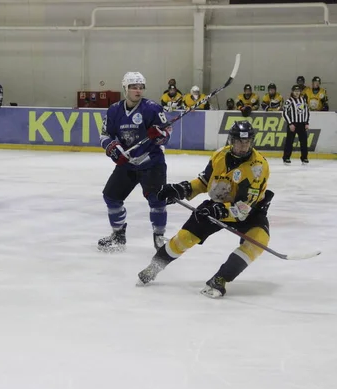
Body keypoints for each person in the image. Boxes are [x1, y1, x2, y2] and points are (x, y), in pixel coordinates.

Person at [136, 121, 273, 298]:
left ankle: (221, 279)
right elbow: (204, 182)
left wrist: (218, 211)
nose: (243, 146)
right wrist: (181, 189)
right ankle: (154, 267)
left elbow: (244, 208)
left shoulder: (258, 167)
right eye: (239, 141)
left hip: (249, 211)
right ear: (231, 140)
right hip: (217, 205)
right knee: (184, 238)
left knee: (258, 240)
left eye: (247, 142)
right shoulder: (219, 156)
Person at [98, 71, 172, 252]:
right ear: (125, 88)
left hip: (152, 163)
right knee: (111, 197)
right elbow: (105, 135)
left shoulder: (153, 108)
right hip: (128, 164)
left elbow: (166, 134)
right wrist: (114, 150)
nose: (138, 91)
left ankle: (159, 236)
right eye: (133, 87)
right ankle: (118, 234)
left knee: (157, 201)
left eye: (141, 87)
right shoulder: (114, 110)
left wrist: (160, 135)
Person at [282, 84, 310, 165]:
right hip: (293, 124)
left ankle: (304, 157)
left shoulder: (303, 100)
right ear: (292, 92)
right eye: (295, 91)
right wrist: (290, 123)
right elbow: (285, 113)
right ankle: (286, 157)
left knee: (304, 142)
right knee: (289, 142)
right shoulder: (289, 101)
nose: (297, 93)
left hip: (302, 124)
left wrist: (306, 122)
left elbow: (307, 112)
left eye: (298, 91)